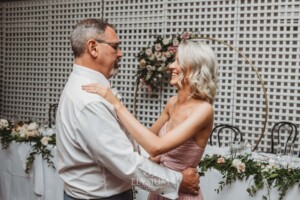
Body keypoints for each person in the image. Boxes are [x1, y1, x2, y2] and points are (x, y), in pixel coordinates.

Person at [56, 18, 200, 200]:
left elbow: (121, 142)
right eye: (115, 47)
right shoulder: (89, 100)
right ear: (93, 48)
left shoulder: (84, 87)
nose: (121, 53)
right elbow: (126, 163)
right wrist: (178, 181)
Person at [82, 40, 218, 200]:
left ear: (194, 68)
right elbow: (144, 139)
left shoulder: (204, 110)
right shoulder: (172, 103)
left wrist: (117, 104)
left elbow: (156, 146)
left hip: (183, 193)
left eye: (178, 62)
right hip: (162, 188)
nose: (171, 66)